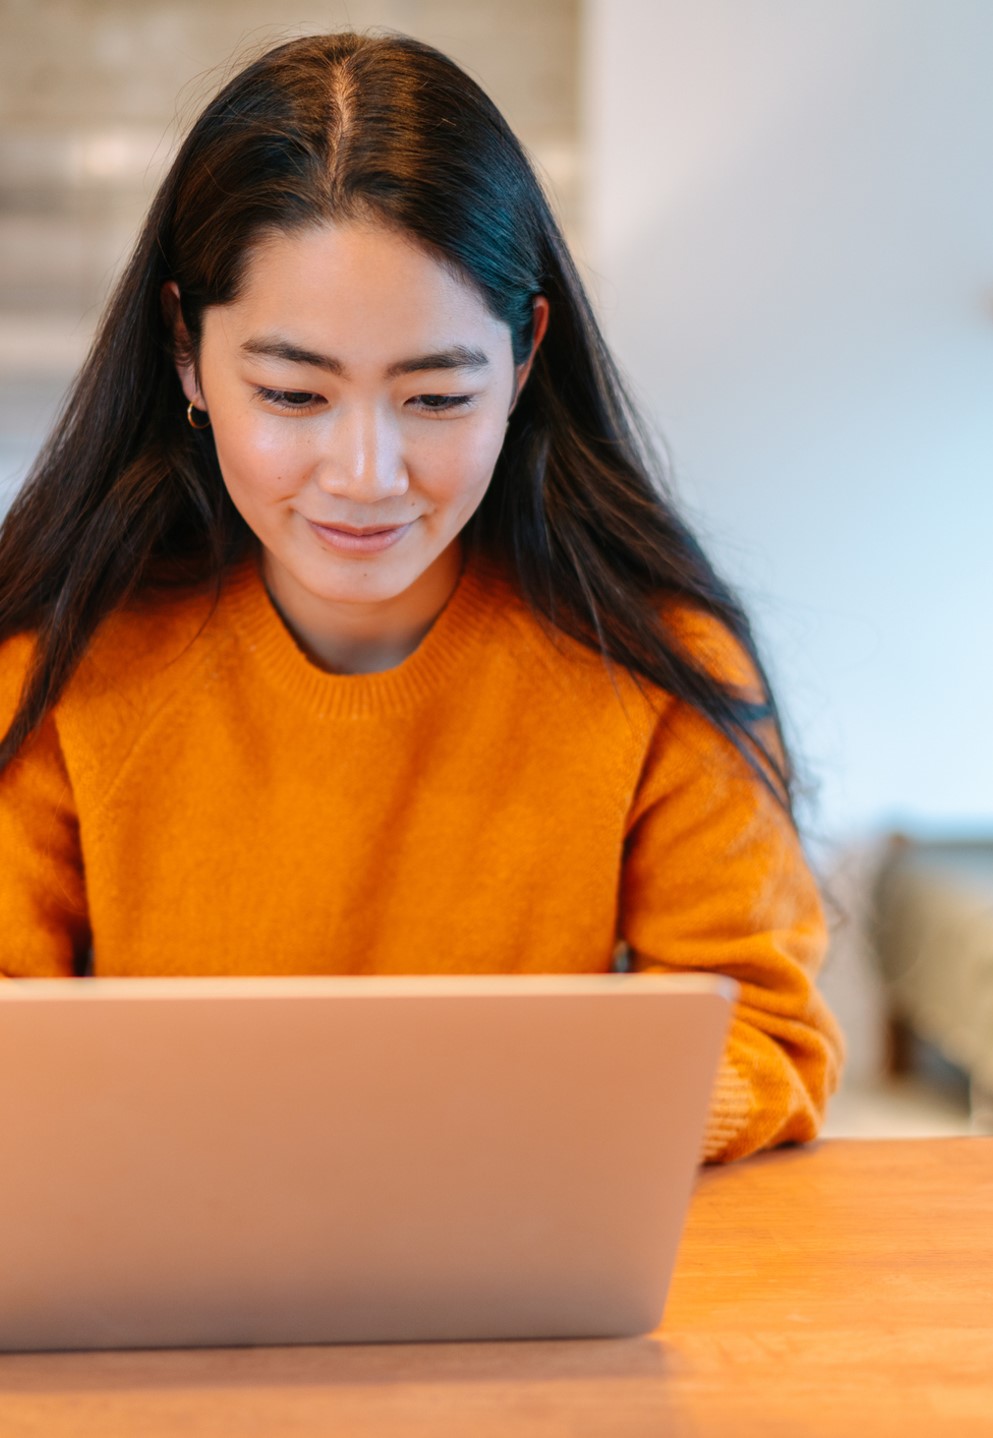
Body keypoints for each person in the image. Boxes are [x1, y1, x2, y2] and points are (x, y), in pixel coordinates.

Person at [0, 31, 841, 1161]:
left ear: (526, 357)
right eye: (293, 393)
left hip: (526, 1283)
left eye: (437, 396)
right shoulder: (58, 654)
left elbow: (769, 1037)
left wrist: (513, 1136)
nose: (364, 473)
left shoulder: (651, 660)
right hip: (160, 1301)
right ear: (188, 356)